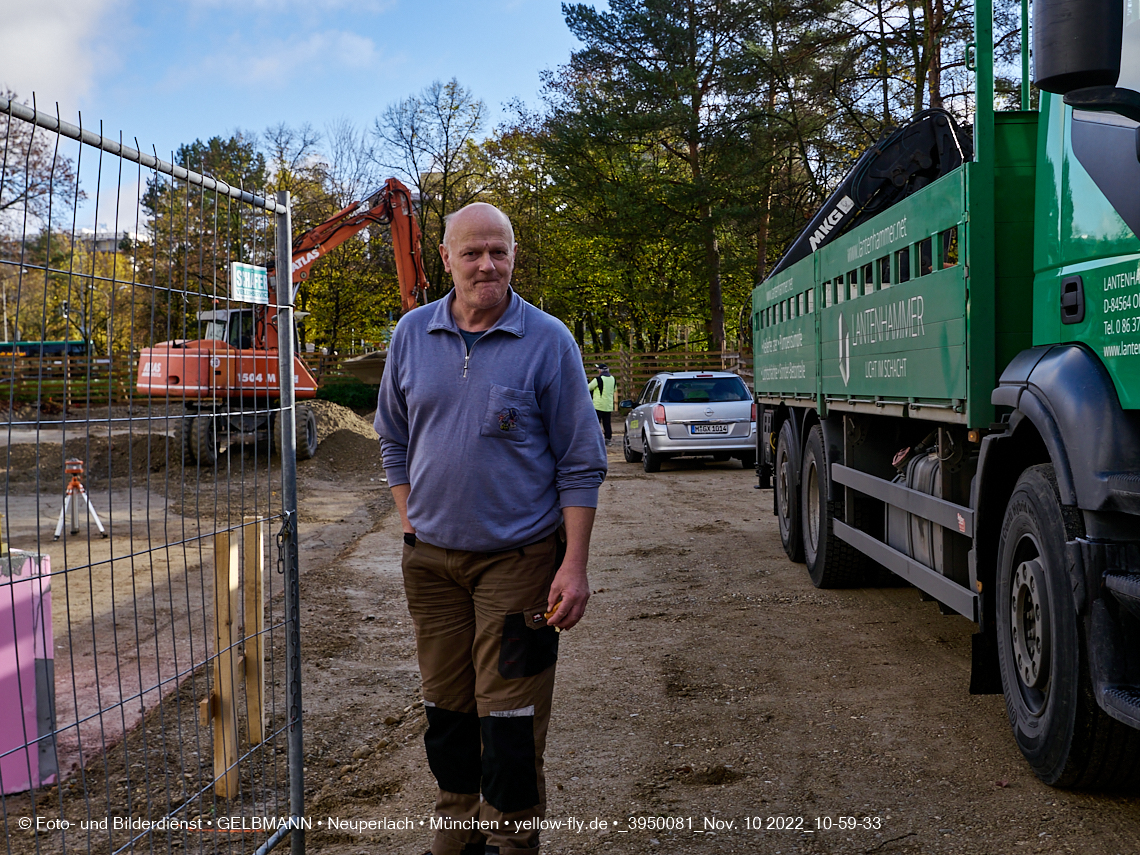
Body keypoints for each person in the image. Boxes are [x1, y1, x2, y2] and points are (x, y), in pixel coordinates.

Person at [373, 202, 607, 855]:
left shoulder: (548, 341)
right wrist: (407, 514)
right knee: (448, 714)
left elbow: (582, 463)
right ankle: (456, 834)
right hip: (431, 567)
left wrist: (575, 563)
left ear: (513, 255)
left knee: (508, 722)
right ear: (444, 258)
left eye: (498, 250)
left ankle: (511, 842)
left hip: (520, 565)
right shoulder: (412, 335)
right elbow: (392, 436)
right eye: (472, 251)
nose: (487, 263)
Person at [587, 363, 616, 445]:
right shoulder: (613, 379)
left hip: (598, 405)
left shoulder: (598, 379)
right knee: (607, 423)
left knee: (596, 423)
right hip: (608, 406)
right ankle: (608, 439)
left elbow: (588, 388)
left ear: (600, 370)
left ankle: (595, 439)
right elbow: (614, 389)